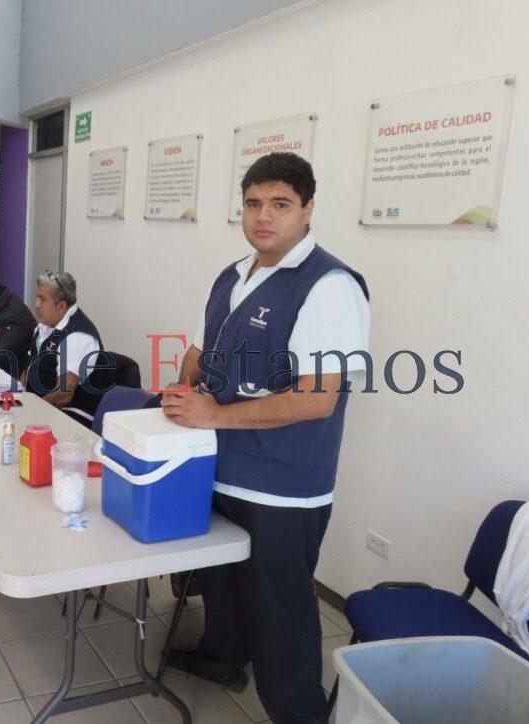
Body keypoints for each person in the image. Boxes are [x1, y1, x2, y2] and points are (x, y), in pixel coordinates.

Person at [162, 153, 370, 724]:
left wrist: (213, 417)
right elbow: (203, 353)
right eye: (254, 204)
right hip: (223, 467)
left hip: (282, 485)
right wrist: (184, 388)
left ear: (307, 209)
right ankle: (221, 657)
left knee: (281, 614)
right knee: (223, 584)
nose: (264, 217)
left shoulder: (329, 286)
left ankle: (299, 713)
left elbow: (317, 397)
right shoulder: (234, 274)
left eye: (280, 205)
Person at [22, 270, 107, 422]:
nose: (35, 305)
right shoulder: (43, 327)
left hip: (72, 418)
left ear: (61, 306)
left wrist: (30, 410)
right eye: (36, 298)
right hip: (39, 409)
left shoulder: (77, 337)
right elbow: (28, 369)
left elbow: (63, 395)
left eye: (42, 299)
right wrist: (15, 396)